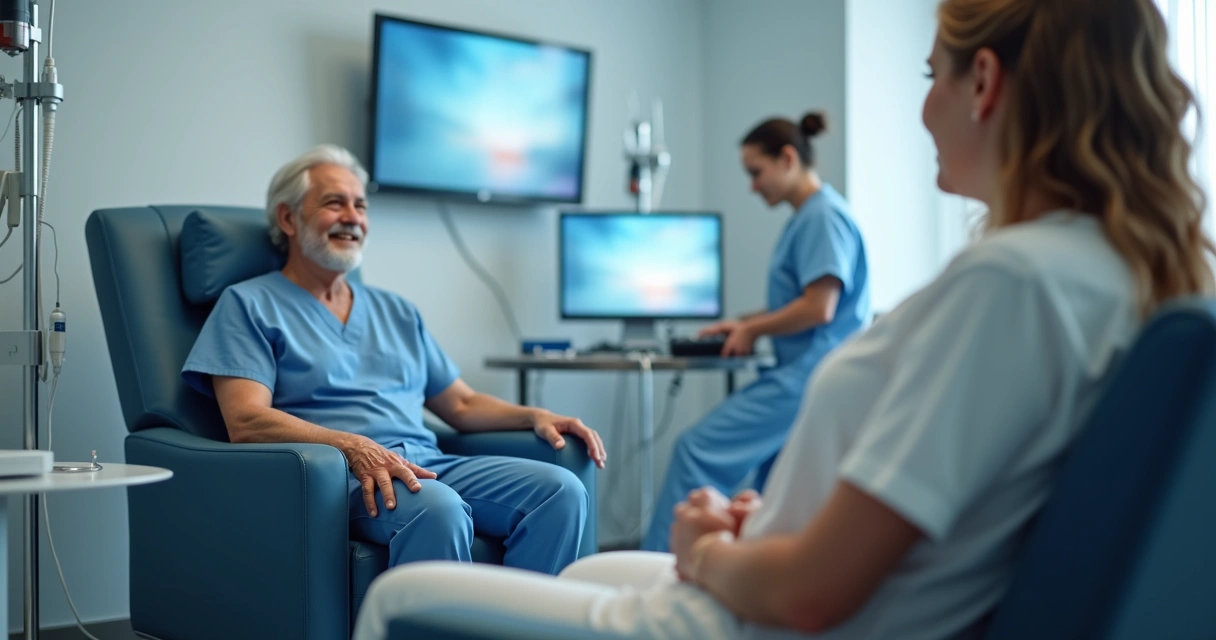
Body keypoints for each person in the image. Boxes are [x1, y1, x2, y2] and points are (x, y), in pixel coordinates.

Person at [351, 0, 1215, 637]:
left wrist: (703, 550)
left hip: (773, 619)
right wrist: (770, 522)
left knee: (400, 599)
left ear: (982, 82)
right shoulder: (1132, 276)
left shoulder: (1014, 284)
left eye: (929, 79)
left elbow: (812, 592)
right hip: (791, 582)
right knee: (598, 562)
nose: (922, 109)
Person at [181, 144, 607, 576]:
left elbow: (460, 405)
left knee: (561, 491)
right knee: (437, 508)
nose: (353, 217)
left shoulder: (397, 310)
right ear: (288, 218)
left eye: (360, 205)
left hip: (427, 463)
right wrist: (352, 446)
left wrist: (535, 415)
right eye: (334, 203)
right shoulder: (249, 304)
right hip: (339, 476)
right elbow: (246, 420)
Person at [642, 110, 871, 551]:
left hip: (809, 376)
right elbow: (803, 303)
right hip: (808, 372)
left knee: (696, 449)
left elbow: (819, 308)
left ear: (787, 159)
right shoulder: (813, 215)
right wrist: (746, 324)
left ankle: (656, 569)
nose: (752, 186)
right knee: (771, 486)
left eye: (756, 173)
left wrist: (753, 329)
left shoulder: (822, 217)